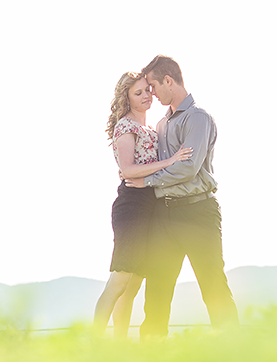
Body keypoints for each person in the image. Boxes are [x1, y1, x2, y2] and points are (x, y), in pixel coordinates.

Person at [131, 54, 239, 333]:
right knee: (156, 291)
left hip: (197, 212)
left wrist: (149, 182)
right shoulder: (161, 125)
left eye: (153, 86)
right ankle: (151, 357)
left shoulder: (198, 118)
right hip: (164, 214)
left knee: (212, 285)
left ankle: (236, 356)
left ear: (169, 80)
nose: (151, 94)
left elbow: (188, 168)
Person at [93, 71, 193, 336]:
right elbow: (128, 169)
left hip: (152, 205)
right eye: (138, 93)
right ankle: (93, 341)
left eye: (147, 90)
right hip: (132, 206)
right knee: (120, 279)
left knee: (135, 282)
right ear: (127, 99)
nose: (147, 95)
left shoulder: (150, 128)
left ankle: (121, 344)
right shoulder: (126, 126)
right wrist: (170, 162)